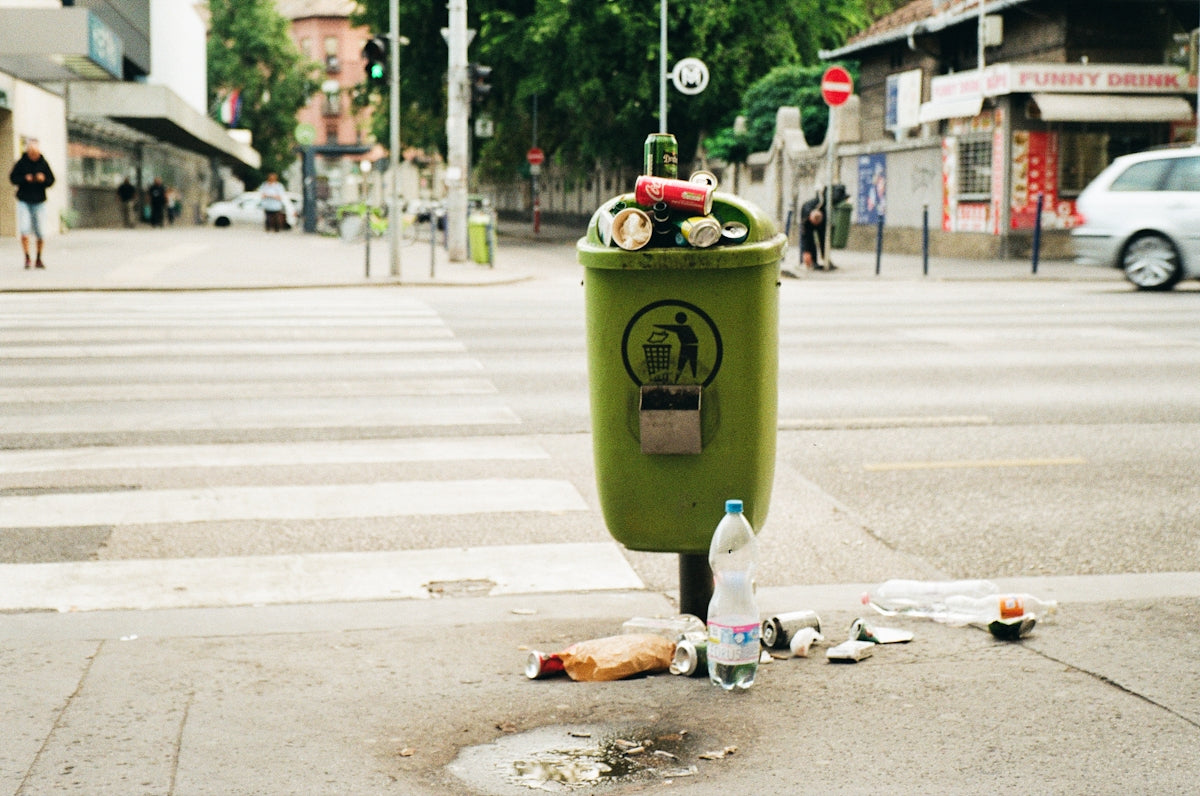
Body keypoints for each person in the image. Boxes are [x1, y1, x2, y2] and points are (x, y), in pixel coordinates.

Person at [8, 137, 55, 269]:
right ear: (28, 151)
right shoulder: (21, 163)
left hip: (39, 200)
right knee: (24, 229)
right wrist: (24, 178)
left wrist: (43, 179)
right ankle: (27, 257)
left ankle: (39, 257)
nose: (34, 155)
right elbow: (13, 178)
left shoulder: (43, 163)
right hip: (24, 200)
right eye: (31, 152)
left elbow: (51, 180)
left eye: (36, 152)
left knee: (40, 231)